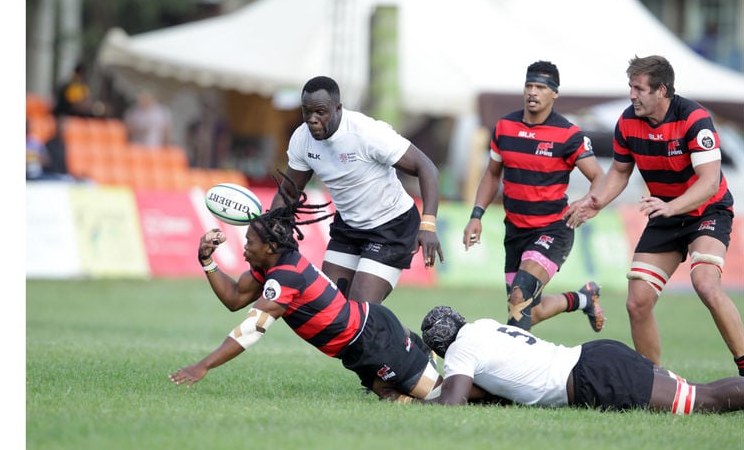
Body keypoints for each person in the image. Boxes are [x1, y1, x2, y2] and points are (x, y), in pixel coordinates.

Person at [169, 172, 442, 402]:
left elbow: (251, 330)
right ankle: (423, 355)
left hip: (375, 339)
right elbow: (234, 298)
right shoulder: (271, 267)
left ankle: (454, 366)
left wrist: (203, 365)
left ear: (270, 246)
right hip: (356, 349)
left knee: (444, 399)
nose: (245, 247)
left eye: (250, 242)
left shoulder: (285, 277)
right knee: (394, 399)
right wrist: (207, 261)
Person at [565, 55, 744, 376]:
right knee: (637, 301)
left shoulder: (694, 119)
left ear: (662, 90)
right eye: (630, 87)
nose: (632, 95)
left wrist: (672, 206)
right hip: (666, 214)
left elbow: (710, 182)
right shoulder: (627, 121)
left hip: (707, 210)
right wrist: (597, 201)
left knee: (705, 283)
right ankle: (655, 381)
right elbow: (620, 171)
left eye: (639, 89)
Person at [271, 75, 444, 304]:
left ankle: (408, 342)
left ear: (338, 108)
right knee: (330, 309)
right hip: (349, 227)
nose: (312, 120)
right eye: (307, 112)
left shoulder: (367, 133)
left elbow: (427, 168)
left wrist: (428, 225)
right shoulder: (302, 138)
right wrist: (270, 228)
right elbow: (290, 193)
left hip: (392, 227)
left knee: (361, 311)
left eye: (320, 112)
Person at [462, 60, 606, 332]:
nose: (533, 92)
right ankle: (584, 298)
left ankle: (512, 369)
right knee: (529, 310)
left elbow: (599, 177)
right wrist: (476, 216)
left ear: (554, 93)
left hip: (553, 228)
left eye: (540, 87)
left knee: (519, 298)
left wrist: (589, 203)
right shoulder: (504, 127)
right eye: (529, 85)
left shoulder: (568, 134)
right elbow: (492, 174)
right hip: (515, 231)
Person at [418, 305, 744, 414]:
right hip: (595, 355)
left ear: (442, 347)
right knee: (699, 390)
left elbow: (452, 402)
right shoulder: (482, 327)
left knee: (705, 401)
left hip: (594, 377)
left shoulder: (460, 350)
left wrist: (412, 401)